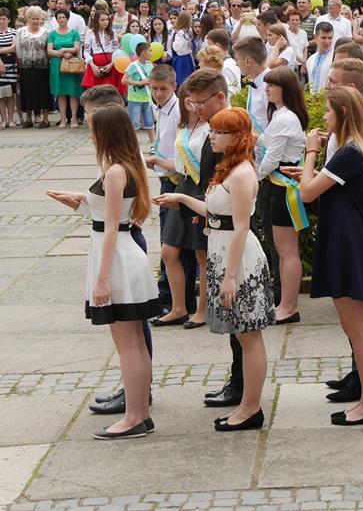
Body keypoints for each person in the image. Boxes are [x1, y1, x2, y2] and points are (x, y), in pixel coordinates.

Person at [47, 104, 161, 438]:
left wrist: (101, 279)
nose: (89, 131)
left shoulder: (115, 171)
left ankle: (134, 416)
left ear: (105, 132)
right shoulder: (124, 165)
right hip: (123, 257)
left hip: (117, 261)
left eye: (93, 127)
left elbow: (112, 227)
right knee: (135, 343)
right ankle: (139, 414)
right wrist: (81, 200)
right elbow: (111, 214)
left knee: (129, 346)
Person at [159, 107, 275, 429]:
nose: (212, 137)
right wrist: (181, 199)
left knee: (249, 337)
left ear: (236, 136)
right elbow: (214, 212)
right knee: (243, 336)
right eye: (213, 131)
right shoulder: (230, 169)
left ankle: (250, 408)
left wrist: (229, 277)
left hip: (238, 260)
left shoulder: (241, 174)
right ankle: (249, 405)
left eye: (219, 132)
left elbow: (240, 227)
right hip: (225, 253)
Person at [294, 87, 363, 425]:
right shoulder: (358, 148)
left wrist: (310, 153)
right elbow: (319, 186)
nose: (324, 118)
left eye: (329, 112)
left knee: (356, 327)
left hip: (350, 246)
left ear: (343, 114)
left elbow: (306, 193)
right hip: (352, 242)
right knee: (355, 326)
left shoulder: (349, 151)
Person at [151, 73, 207, 328]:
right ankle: (178, 307)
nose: (190, 105)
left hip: (199, 190)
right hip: (182, 185)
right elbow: (179, 164)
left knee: (201, 255)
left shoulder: (208, 129)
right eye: (187, 101)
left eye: (194, 101)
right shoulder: (184, 128)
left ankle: (202, 310)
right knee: (168, 250)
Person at [257, 68, 308, 324]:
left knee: (287, 251)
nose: (266, 89)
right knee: (284, 249)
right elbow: (265, 142)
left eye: (272, 85)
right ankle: (287, 304)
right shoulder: (280, 115)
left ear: (284, 88)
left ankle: (288, 306)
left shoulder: (286, 118)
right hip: (279, 184)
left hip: (283, 186)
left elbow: (270, 159)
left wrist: (249, 180)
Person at [16, 6, 52, 128]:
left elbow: (49, 50)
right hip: (25, 66)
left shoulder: (46, 33)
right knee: (27, 92)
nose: (36, 21)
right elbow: (18, 49)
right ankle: (28, 119)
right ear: (28, 18)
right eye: (33, 19)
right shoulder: (21, 32)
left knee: (43, 92)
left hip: (42, 66)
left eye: (38, 18)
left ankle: (46, 119)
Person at [46, 9, 83, 128]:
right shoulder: (52, 34)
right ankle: (62, 119)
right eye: (59, 18)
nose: (61, 19)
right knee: (60, 93)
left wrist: (64, 50)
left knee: (73, 92)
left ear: (67, 19)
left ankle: (73, 118)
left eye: (63, 17)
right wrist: (61, 53)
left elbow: (76, 48)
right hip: (57, 65)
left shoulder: (74, 33)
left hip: (72, 64)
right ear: (56, 20)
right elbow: (49, 50)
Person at [122, 43, 157, 144]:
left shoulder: (149, 65)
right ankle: (134, 145)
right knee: (134, 124)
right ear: (143, 52)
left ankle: (153, 145)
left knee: (150, 123)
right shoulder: (133, 66)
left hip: (147, 98)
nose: (151, 53)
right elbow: (124, 80)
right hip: (135, 99)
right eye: (150, 51)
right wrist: (139, 83)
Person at [0, 8, 17, 127]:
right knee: (0, 95)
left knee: (11, 94)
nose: (1, 21)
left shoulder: (13, 32)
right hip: (0, 67)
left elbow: (13, 48)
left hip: (11, 67)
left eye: (4, 19)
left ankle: (11, 119)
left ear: (9, 20)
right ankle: (3, 119)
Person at [170, 12, 196, 86]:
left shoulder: (189, 30)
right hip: (181, 59)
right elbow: (176, 47)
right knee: (182, 81)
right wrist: (182, 39)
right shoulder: (179, 33)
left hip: (188, 57)